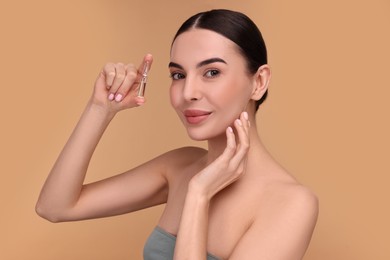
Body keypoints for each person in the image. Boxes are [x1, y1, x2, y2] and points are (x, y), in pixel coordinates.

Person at [36, 9, 318, 260]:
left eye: (211, 72)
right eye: (178, 75)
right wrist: (100, 108)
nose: (188, 93)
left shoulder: (291, 204)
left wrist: (198, 196)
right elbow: (55, 207)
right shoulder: (179, 167)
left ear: (258, 81)